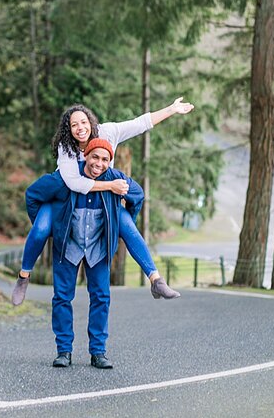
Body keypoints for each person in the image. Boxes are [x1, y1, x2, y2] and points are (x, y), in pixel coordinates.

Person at [11, 99, 192, 306]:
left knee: (127, 226)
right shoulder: (67, 147)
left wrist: (171, 109)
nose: (80, 128)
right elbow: (74, 183)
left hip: (100, 200)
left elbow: (141, 123)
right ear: (68, 130)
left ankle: (155, 279)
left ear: (91, 122)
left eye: (83, 122)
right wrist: (110, 186)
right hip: (66, 197)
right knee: (41, 228)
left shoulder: (108, 132)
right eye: (74, 125)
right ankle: (24, 277)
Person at [25, 138, 140, 368]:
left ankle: (98, 352)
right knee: (62, 298)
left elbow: (137, 196)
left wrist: (124, 221)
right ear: (85, 155)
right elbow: (32, 195)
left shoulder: (114, 179)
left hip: (98, 248)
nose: (99, 163)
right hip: (68, 247)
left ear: (110, 162)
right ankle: (63, 351)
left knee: (101, 298)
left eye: (105, 159)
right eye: (95, 157)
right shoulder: (66, 178)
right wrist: (48, 227)